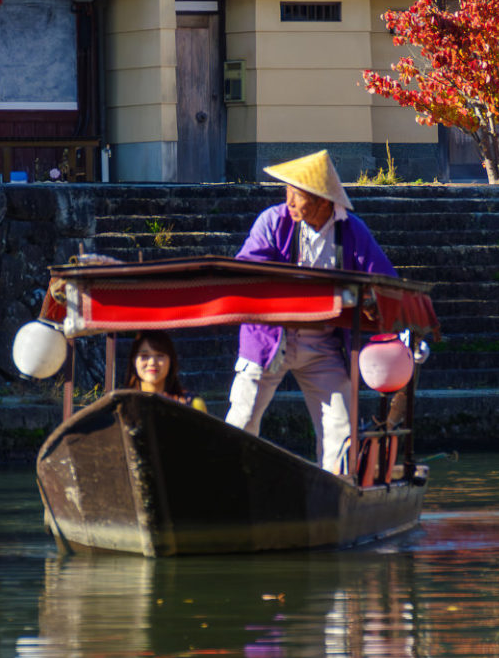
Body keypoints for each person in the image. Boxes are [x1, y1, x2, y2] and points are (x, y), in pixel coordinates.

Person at [225, 149, 395, 474]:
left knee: (341, 430)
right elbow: (247, 269)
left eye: (297, 194)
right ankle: (231, 482)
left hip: (325, 345)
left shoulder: (351, 231)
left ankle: (336, 492)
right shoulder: (273, 221)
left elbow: (385, 279)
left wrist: (369, 299)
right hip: (268, 338)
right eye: (286, 191)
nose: (289, 201)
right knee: (242, 418)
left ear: (323, 201)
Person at [126, 330, 207, 411]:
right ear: (134, 361)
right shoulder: (122, 405)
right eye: (144, 356)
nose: (152, 362)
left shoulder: (192, 404)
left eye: (160, 355)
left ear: (171, 361)